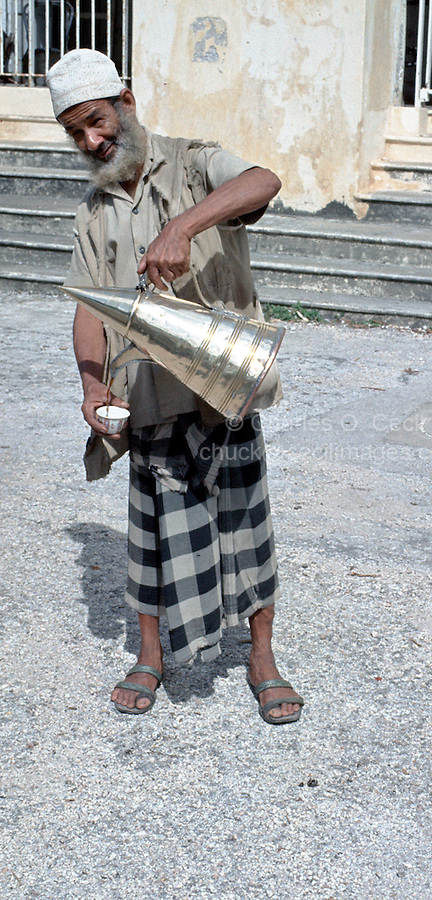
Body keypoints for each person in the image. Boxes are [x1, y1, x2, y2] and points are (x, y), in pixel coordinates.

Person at [46, 49, 304, 723]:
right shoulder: (93, 211)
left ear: (126, 102)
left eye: (97, 122)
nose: (92, 141)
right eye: (76, 133)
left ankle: (261, 656)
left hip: (223, 385)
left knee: (246, 525)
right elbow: (88, 307)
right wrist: (89, 386)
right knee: (154, 534)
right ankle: (150, 656)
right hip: (149, 395)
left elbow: (264, 179)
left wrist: (183, 225)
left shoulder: (194, 161)